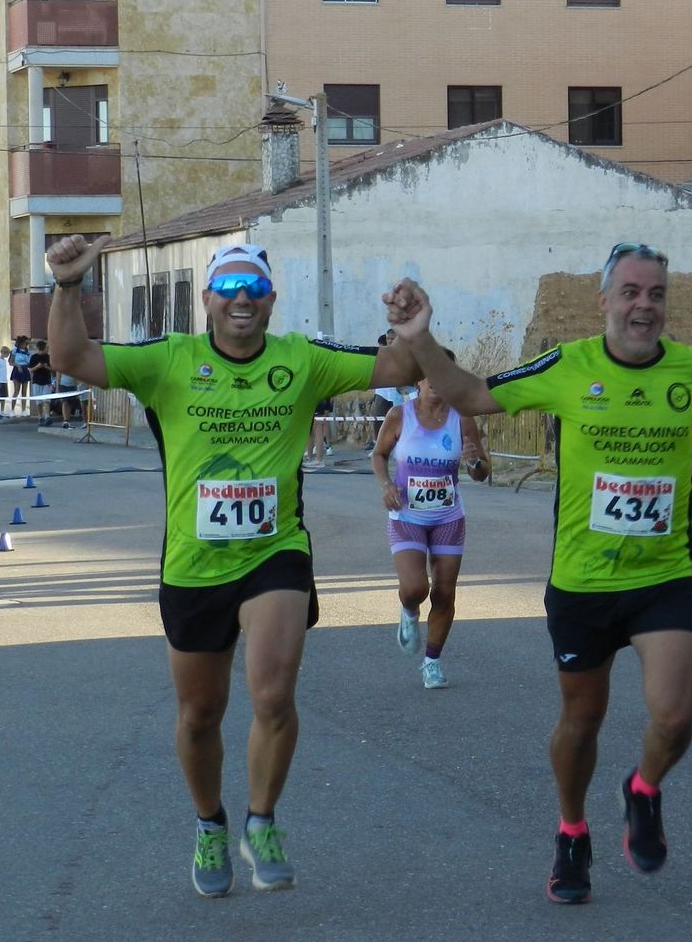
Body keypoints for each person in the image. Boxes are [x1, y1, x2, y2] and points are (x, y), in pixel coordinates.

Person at [383, 242, 692, 906]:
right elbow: (469, 393)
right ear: (604, 301)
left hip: (663, 576)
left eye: (656, 294)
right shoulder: (569, 365)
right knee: (581, 720)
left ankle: (643, 788)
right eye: (630, 292)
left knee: (674, 718)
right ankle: (571, 831)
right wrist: (421, 338)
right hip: (583, 582)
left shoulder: (688, 367)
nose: (643, 306)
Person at [46, 234, 422, 899]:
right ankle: (209, 824)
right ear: (206, 300)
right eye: (228, 287)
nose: (241, 298)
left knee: (273, 696)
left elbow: (400, 367)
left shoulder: (302, 359)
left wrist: (411, 326)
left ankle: (262, 820)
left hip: (275, 553)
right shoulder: (169, 360)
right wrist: (70, 286)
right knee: (200, 714)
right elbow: (71, 358)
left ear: (272, 300)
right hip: (193, 566)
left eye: (254, 288)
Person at [372, 352, 491, 689]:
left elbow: (482, 472)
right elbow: (379, 454)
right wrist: (386, 484)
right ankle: (409, 610)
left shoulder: (462, 418)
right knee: (415, 588)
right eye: (429, 374)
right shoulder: (400, 415)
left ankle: (432, 662)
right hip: (407, 513)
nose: (436, 382)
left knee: (444, 593)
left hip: (448, 517)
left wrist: (474, 463)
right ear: (418, 380)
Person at [29, 339, 54, 422]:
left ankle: (47, 417)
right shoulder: (34, 357)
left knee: (46, 400)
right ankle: (40, 417)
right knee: (39, 401)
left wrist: (47, 367)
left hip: (47, 381)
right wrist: (37, 366)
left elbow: (53, 369)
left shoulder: (48, 357)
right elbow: (30, 369)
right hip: (36, 381)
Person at [10, 337, 32, 416]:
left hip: (25, 370)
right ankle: (12, 410)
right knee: (16, 390)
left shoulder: (27, 351)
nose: (26, 345)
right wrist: (18, 365)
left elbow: (29, 362)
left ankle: (23, 410)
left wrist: (27, 365)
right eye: (26, 343)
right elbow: (11, 362)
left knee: (24, 392)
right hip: (17, 370)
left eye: (27, 344)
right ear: (21, 343)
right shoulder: (15, 350)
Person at [0, 346, 12, 420]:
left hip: (4, 381)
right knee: (0, 397)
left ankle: (2, 411)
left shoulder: (4, 361)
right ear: (4, 353)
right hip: (0, 381)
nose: (8, 355)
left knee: (4, 397)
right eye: (7, 354)